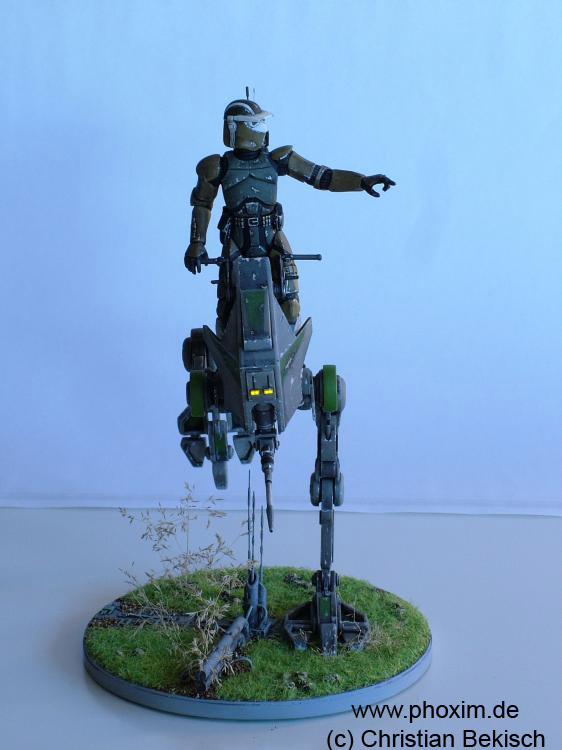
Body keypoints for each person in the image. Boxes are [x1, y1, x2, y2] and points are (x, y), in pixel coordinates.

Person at [185, 96, 395, 334]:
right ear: (237, 127)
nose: (262, 129)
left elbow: (323, 177)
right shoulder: (216, 166)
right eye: (255, 124)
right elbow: (202, 204)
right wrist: (196, 243)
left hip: (271, 236)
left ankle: (286, 342)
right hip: (236, 238)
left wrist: (361, 181)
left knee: (290, 299)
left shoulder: (278, 160)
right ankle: (228, 346)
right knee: (227, 303)